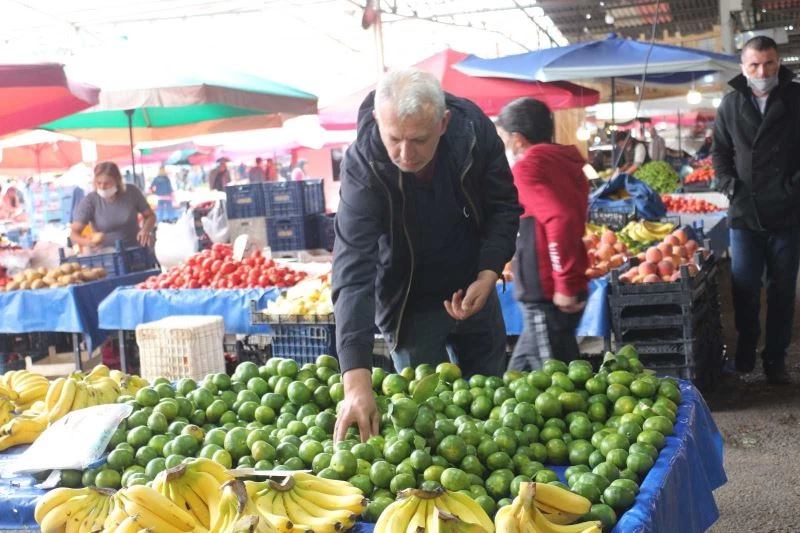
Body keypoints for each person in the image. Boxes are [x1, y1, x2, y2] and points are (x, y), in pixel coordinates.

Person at [331, 69, 521, 441]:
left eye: (418, 140)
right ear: (377, 121)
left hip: (473, 285)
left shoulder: (474, 133)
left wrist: (487, 272)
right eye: (394, 139)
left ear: (443, 123)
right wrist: (355, 378)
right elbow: (353, 268)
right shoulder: (363, 166)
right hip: (409, 304)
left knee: (494, 415)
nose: (405, 153)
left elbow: (503, 206)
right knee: (427, 427)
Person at [713, 36, 800, 384]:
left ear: (778, 62)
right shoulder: (731, 104)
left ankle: (775, 358)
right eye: (754, 65)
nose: (762, 71)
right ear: (743, 67)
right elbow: (719, 152)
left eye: (769, 63)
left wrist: (792, 188)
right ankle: (746, 351)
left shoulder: (796, 98)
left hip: (788, 212)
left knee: (781, 289)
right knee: (744, 286)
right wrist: (729, 186)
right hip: (745, 213)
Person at [497, 98, 589, 370]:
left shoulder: (527, 168)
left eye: (503, 138)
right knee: (518, 376)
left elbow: (561, 219)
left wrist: (564, 283)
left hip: (546, 290)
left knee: (556, 381)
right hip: (551, 288)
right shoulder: (565, 163)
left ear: (517, 139)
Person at [70, 161, 156, 250]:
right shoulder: (90, 201)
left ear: (117, 180)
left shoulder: (132, 192)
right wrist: (88, 242)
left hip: (135, 249)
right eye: (99, 183)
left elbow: (150, 216)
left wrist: (145, 230)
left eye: (107, 183)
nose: (102, 187)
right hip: (105, 254)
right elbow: (74, 233)